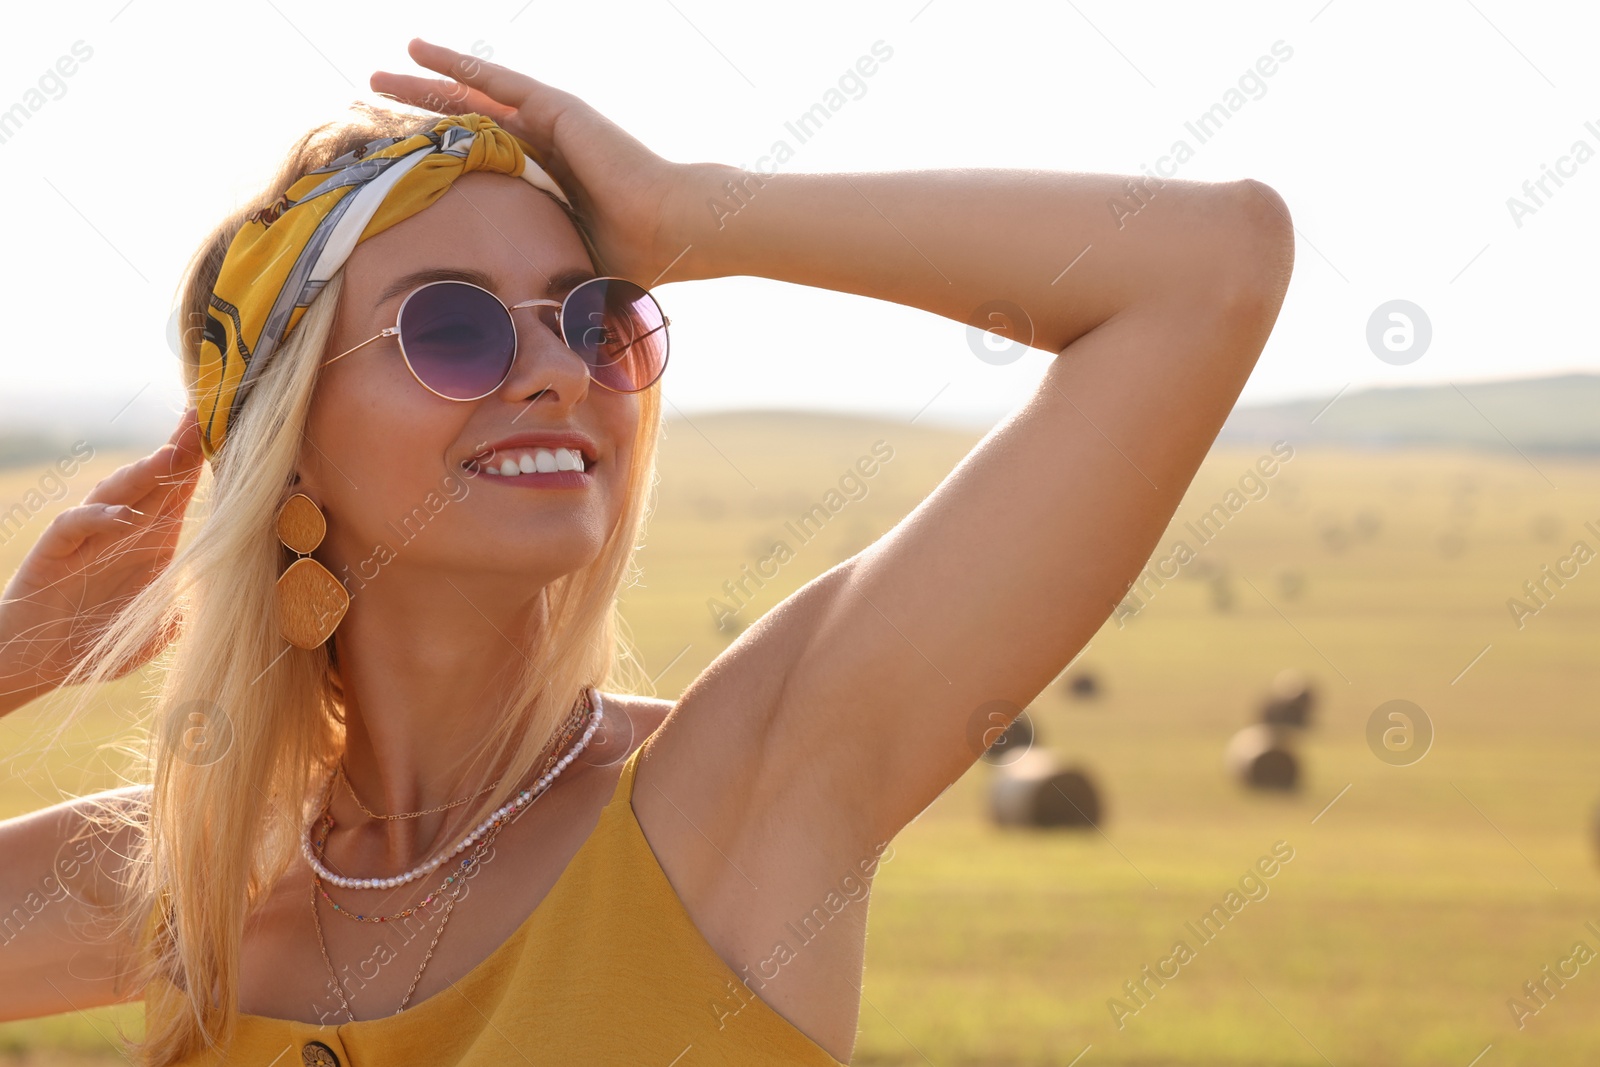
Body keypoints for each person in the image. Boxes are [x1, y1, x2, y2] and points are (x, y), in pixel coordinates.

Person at [0, 37, 1294, 1067]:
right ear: (289, 451)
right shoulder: (192, 867)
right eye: (453, 330)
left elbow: (1206, 266)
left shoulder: (734, 790)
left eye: (598, 316)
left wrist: (695, 213)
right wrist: (12, 658)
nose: (562, 372)